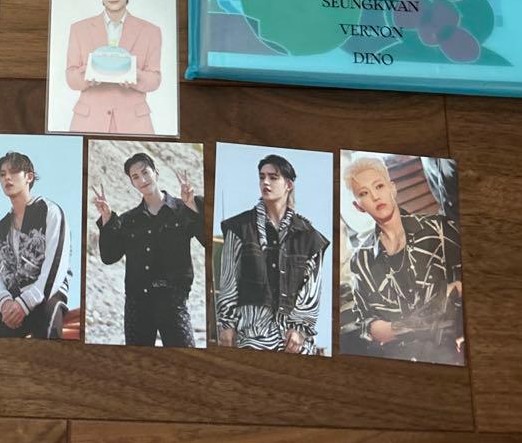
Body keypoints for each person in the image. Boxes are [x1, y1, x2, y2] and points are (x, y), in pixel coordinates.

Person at [343, 155, 464, 365]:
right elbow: (370, 327)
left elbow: (462, 291)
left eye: (379, 186)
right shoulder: (361, 262)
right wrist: (426, 315)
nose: (375, 196)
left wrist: (394, 327)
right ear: (358, 206)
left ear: (393, 188)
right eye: (364, 193)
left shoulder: (439, 230)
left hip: (448, 357)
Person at [215, 154, 329, 354]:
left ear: (289, 185)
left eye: (273, 177)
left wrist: (299, 328)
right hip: (251, 335)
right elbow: (229, 279)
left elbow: (312, 289)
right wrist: (226, 324)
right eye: (262, 177)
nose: (265, 182)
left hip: (294, 342)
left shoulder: (309, 237)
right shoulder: (239, 227)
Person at [94, 152, 206, 347]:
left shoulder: (181, 210)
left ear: (156, 172)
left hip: (173, 302)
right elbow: (109, 256)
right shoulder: (128, 220)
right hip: (137, 305)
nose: (142, 180)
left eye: (145, 172)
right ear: (132, 183)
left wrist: (192, 205)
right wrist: (107, 219)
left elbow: (206, 240)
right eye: (135, 177)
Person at [65, 0, 162, 134]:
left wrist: (133, 75)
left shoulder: (151, 31)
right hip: (88, 121)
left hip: (134, 123)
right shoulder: (79, 29)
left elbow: (155, 79)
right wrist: (89, 75)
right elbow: (71, 77)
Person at [0, 151, 71, 338]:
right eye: (2, 174)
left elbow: (56, 262)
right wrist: (4, 302)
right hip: (12, 304)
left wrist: (25, 303)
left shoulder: (49, 211)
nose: (7, 177)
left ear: (29, 177)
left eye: (14, 171)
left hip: (47, 296)